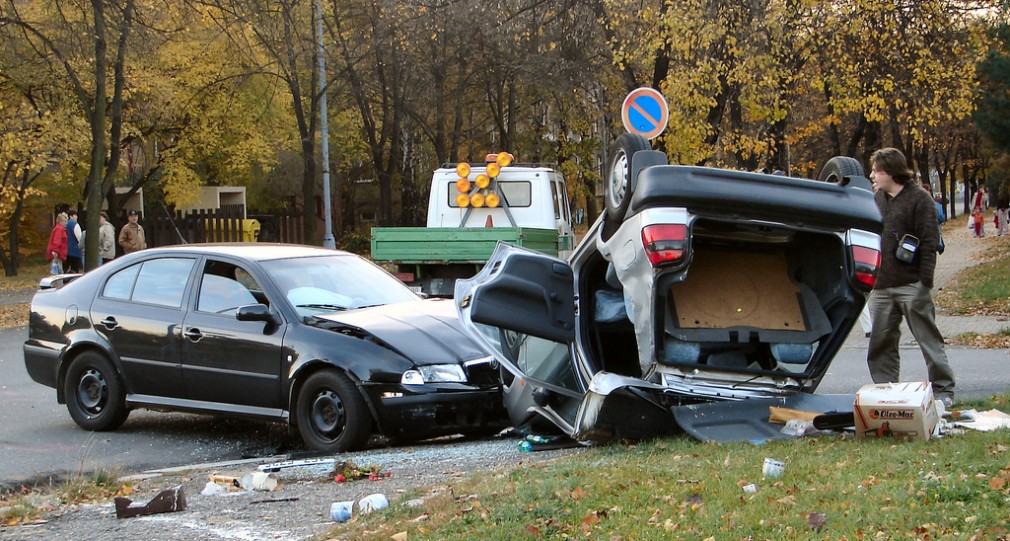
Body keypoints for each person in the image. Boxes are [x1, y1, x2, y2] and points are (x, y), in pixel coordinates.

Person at [866, 148, 955, 406]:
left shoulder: (920, 199)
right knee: (881, 343)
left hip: (912, 285)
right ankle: (885, 391)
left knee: (929, 340)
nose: (872, 175)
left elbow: (929, 242)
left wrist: (924, 282)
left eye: (876, 170)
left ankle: (943, 390)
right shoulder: (877, 199)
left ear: (890, 171)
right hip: (882, 286)